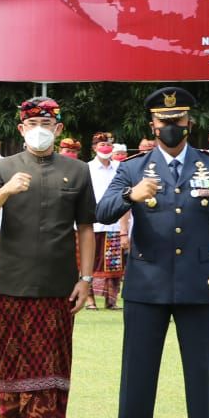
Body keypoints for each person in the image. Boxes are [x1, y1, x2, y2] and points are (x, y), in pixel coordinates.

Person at [97, 87, 209, 418]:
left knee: (203, 366)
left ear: (189, 123)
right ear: (153, 124)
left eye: (177, 121)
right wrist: (132, 194)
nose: (170, 127)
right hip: (147, 281)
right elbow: (103, 212)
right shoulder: (132, 168)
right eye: (164, 122)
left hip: (201, 281)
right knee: (138, 365)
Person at [0, 96, 96, 418]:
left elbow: (86, 228)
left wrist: (86, 280)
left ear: (57, 130)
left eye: (46, 126)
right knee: (9, 354)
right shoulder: (4, 168)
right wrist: (6, 190)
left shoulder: (78, 171)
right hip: (14, 278)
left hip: (60, 281)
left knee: (57, 357)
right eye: (32, 126)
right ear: (21, 130)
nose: (39, 132)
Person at [87, 132, 129, 310]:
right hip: (92, 223)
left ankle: (111, 300)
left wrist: (124, 228)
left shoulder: (120, 167)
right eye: (101, 144)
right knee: (89, 262)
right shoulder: (86, 168)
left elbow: (126, 195)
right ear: (94, 148)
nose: (105, 148)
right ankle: (90, 300)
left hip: (115, 222)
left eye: (108, 144)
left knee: (114, 264)